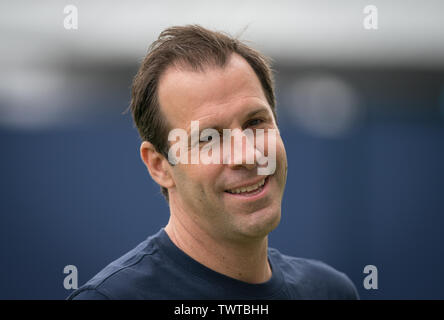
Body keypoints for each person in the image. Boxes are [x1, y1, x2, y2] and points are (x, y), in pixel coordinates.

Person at [67, 25, 358, 300]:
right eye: (208, 138)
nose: (248, 155)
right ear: (159, 165)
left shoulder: (329, 292)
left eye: (255, 122)